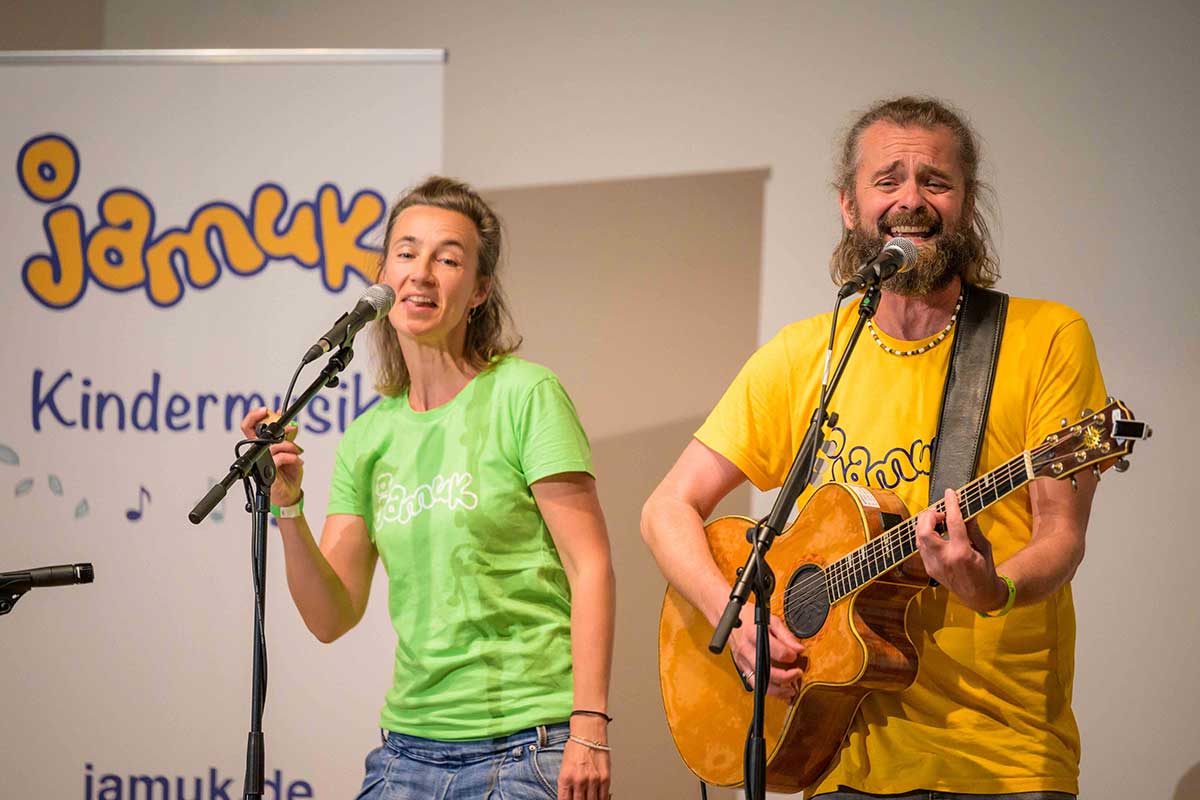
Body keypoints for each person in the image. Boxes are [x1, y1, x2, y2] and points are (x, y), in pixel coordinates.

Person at [641, 97, 1106, 799]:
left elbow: (1061, 538)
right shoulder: (808, 354)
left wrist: (991, 585)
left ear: (967, 202)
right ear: (850, 206)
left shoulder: (1044, 338)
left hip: (999, 757)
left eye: (935, 182)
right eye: (887, 181)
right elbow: (665, 508)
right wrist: (730, 611)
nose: (911, 201)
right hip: (833, 750)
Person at [241, 176, 615, 800]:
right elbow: (331, 615)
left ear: (479, 290)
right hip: (405, 753)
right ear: (383, 277)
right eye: (407, 253)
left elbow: (592, 566)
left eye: (448, 258)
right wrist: (288, 505)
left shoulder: (526, 394)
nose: (422, 273)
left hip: (527, 745)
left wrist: (590, 725)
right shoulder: (370, 436)